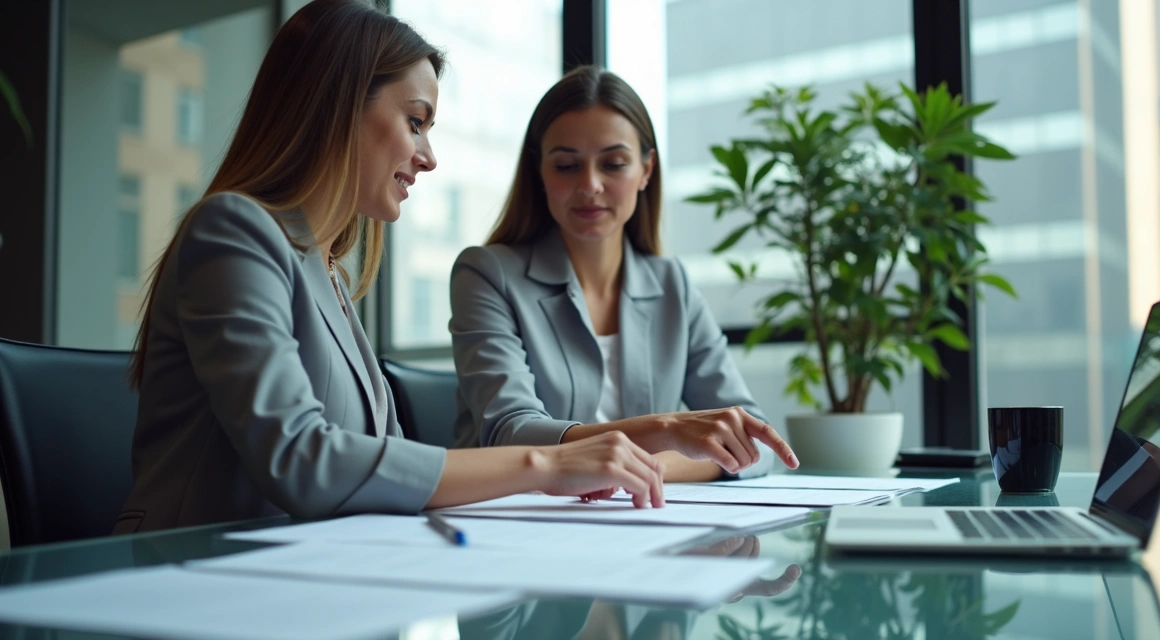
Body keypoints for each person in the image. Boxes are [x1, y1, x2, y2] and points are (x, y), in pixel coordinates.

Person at [114, 0, 665, 535]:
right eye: (416, 122)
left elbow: (387, 463)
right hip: (190, 581)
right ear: (338, 105)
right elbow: (302, 459)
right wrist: (547, 466)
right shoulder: (234, 229)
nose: (428, 156)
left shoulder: (327, 271)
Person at [449, 66, 799, 483]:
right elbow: (510, 434)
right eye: (566, 166)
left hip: (642, 517)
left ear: (646, 170)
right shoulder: (487, 274)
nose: (590, 184)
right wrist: (667, 431)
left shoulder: (673, 285)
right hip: (516, 521)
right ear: (539, 171)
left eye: (613, 164)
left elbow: (754, 442)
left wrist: (641, 469)